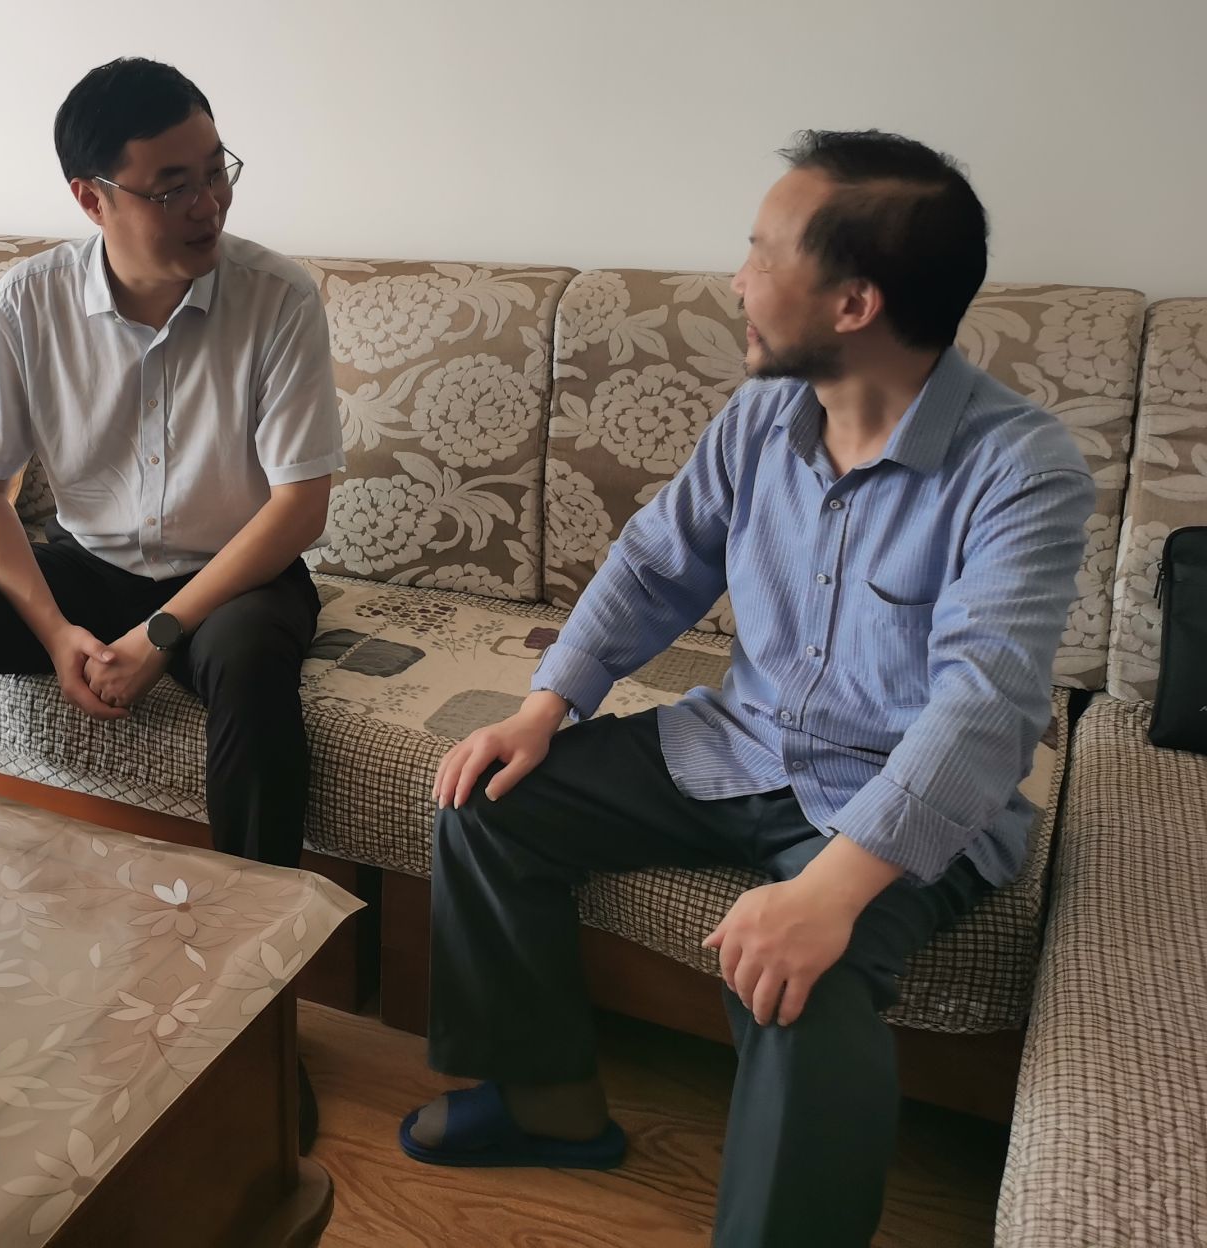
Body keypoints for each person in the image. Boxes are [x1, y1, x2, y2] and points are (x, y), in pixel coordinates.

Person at [400, 131, 1094, 1246]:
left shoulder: (1020, 468)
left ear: (853, 303)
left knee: (799, 977)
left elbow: (985, 706)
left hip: (892, 796)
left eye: (762, 254)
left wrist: (829, 893)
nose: (736, 280)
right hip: (737, 743)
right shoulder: (763, 415)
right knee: (485, 801)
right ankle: (546, 1105)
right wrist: (544, 708)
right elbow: (653, 565)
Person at [0, 56, 344, 1142]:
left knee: (252, 673)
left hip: (238, 573)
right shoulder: (32, 299)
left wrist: (161, 634)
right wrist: (57, 630)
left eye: (216, 170)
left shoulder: (277, 296)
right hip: (84, 565)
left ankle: (255, 1020)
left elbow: (298, 508)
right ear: (92, 198)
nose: (207, 203)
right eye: (172, 185)